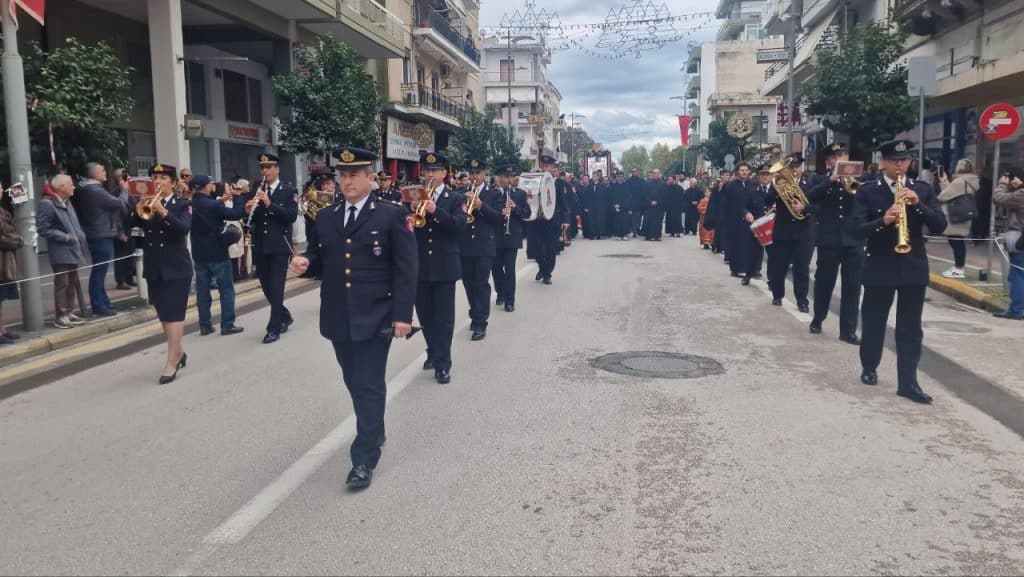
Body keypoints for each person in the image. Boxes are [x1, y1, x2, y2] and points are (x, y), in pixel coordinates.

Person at [290, 147, 417, 490]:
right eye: (342, 176)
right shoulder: (328, 217)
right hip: (337, 315)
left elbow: (406, 269)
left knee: (368, 383)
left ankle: (363, 458)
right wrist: (305, 265)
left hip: (376, 314)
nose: (346, 181)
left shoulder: (391, 214)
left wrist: (402, 316)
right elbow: (320, 257)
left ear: (370, 178)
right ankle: (375, 427)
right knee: (352, 380)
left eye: (353, 175)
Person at [851, 139, 947, 404]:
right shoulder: (868, 191)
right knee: (873, 322)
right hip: (879, 265)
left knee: (910, 328)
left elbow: (940, 225)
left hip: (912, 266)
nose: (901, 165)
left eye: (905, 160)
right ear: (883, 163)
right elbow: (856, 229)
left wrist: (918, 205)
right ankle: (869, 366)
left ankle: (908, 382)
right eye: (895, 161)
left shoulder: (923, 189)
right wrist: (882, 221)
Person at [128, 164, 193, 384]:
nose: (157, 181)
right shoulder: (148, 203)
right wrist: (136, 209)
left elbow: (183, 229)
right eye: (155, 177)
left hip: (176, 267)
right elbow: (131, 227)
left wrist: (164, 212)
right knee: (163, 314)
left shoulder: (183, 204)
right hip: (154, 265)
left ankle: (171, 361)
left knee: (174, 315)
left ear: (173, 182)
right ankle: (180, 352)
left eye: (163, 178)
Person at [415, 152, 467, 384]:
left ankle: (443, 363)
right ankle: (432, 351)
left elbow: (459, 227)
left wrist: (436, 211)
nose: (430, 174)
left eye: (435, 170)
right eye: (427, 170)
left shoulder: (455, 198)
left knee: (444, 318)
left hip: (444, 266)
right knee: (425, 315)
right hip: (420, 265)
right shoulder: (414, 196)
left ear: (445, 173)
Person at [806, 142, 863, 343]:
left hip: (853, 240)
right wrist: (830, 180)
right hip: (829, 239)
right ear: (829, 160)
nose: (838, 159)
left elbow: (865, 203)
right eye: (834, 156)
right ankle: (818, 318)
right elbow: (809, 198)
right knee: (824, 283)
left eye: (842, 155)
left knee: (853, 286)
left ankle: (848, 330)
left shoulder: (860, 179)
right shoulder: (820, 179)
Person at [244, 153, 299, 344]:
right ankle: (284, 315)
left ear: (277, 169)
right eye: (262, 168)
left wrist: (269, 204)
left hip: (279, 245)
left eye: (268, 167)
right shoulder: (256, 190)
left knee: (277, 287)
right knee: (267, 286)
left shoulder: (288, 190)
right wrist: (248, 211)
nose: (265, 171)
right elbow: (251, 221)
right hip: (260, 245)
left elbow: (291, 216)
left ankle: (273, 327)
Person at [190, 174, 246, 336]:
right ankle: (227, 324)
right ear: (205, 186)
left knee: (202, 291)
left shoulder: (191, 203)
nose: (212, 185)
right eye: (210, 184)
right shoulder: (213, 205)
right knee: (226, 290)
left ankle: (205, 325)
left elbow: (208, 206)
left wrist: (219, 201)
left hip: (199, 253)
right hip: (217, 252)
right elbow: (236, 214)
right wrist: (237, 197)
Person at [77, 162, 131, 317]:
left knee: (100, 271)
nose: (105, 172)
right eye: (102, 170)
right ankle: (98, 305)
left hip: (103, 233)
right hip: (100, 234)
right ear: (94, 174)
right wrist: (124, 190)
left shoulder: (94, 189)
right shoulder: (94, 190)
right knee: (99, 272)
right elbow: (119, 203)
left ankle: (104, 302)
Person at [458, 159, 503, 341]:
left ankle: (480, 322)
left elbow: (498, 218)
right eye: (472, 173)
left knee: (481, 284)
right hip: (465, 245)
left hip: (485, 245)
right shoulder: (461, 193)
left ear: (484, 174)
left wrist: (481, 206)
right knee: (468, 284)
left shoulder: (493, 194)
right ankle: (475, 312)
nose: (474, 177)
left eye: (477, 173)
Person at [37, 175, 89, 329]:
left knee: (72, 282)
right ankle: (60, 316)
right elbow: (43, 228)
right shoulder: (47, 204)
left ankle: (69, 312)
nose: (73, 187)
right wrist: (64, 237)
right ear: (61, 187)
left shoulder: (67, 202)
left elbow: (74, 224)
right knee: (62, 283)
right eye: (70, 184)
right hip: (61, 250)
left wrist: (79, 237)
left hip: (73, 248)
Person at [764, 161, 811, 311]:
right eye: (792, 168)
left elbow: (816, 206)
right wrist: (776, 190)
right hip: (782, 232)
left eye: (797, 167)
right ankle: (777, 295)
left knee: (801, 269)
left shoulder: (807, 184)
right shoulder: (777, 184)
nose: (795, 170)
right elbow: (766, 201)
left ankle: (802, 301)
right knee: (779, 266)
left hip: (802, 232)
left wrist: (805, 208)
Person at [526, 155, 571, 284]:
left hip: (553, 220)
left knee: (551, 249)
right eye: (543, 166)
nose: (545, 168)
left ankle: (547, 274)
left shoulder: (559, 183)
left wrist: (566, 220)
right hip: (538, 220)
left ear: (553, 168)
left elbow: (564, 203)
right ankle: (542, 267)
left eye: (548, 166)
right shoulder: (536, 180)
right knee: (538, 249)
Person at [492, 164, 531, 312]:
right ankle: (500, 291)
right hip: (495, 236)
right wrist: (499, 211)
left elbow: (526, 214)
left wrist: (515, 209)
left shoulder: (520, 194)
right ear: (498, 178)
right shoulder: (492, 194)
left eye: (510, 176)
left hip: (512, 236)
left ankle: (510, 300)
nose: (508, 179)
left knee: (509, 270)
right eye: (505, 177)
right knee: (495, 268)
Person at [936, 159, 979, 279]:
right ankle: (958, 268)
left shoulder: (959, 182)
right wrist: (944, 181)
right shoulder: (971, 181)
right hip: (964, 214)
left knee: (956, 242)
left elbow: (943, 196)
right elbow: (952, 193)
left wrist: (943, 182)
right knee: (957, 241)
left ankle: (959, 269)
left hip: (956, 215)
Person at [992, 169, 1024, 320]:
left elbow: (1000, 199)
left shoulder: (1021, 194)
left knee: (1016, 275)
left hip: (1019, 237)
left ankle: (1016, 309)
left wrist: (1002, 185)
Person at [0, 181, 23, 344]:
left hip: (5, 261)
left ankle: (2, 329)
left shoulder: (2, 211)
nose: (2, 190)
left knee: (1, 299)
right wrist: (17, 240)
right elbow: (6, 237)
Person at [109, 168, 136, 290]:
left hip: (130, 227)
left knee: (130, 254)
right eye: (125, 178)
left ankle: (129, 277)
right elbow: (115, 214)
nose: (128, 180)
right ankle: (121, 280)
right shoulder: (114, 193)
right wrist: (119, 233)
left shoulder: (130, 193)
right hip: (120, 228)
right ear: (119, 180)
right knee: (121, 255)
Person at [640, 169, 667, 241]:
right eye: (654, 173)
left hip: (659, 206)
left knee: (658, 221)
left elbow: (664, 195)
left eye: (657, 173)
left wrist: (657, 201)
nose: (655, 175)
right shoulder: (647, 183)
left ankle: (657, 236)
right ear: (652, 174)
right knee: (648, 221)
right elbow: (645, 194)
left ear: (659, 174)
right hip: (649, 205)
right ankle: (648, 236)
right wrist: (650, 201)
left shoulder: (663, 184)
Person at [609, 171, 631, 240]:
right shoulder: (613, 186)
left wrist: (621, 206)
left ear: (623, 177)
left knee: (625, 221)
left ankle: (625, 235)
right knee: (617, 221)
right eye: (618, 176)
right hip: (616, 207)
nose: (619, 178)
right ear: (616, 177)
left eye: (621, 176)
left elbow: (628, 197)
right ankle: (617, 235)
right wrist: (615, 205)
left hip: (625, 207)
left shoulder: (627, 185)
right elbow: (611, 197)